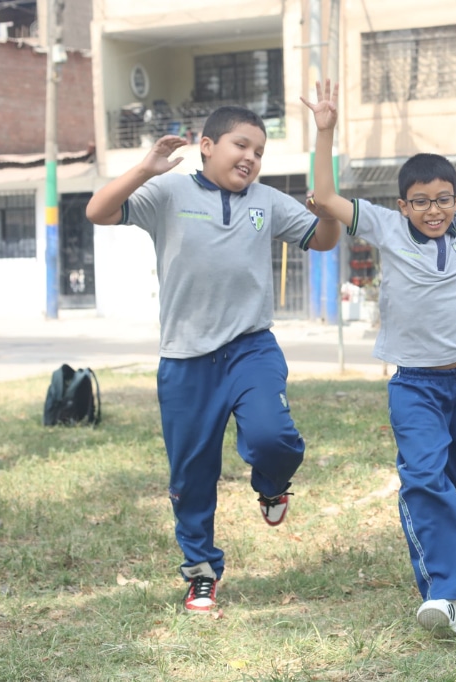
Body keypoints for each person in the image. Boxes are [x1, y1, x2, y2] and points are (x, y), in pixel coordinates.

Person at [85, 105, 341, 612]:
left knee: (275, 438)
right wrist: (145, 168)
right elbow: (97, 211)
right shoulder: (168, 192)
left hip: (250, 347)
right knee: (191, 476)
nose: (251, 157)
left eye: (259, 151)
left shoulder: (266, 201)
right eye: (241, 145)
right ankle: (201, 572)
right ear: (207, 146)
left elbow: (325, 240)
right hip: (185, 359)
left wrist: (327, 208)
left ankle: (271, 486)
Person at [301, 80, 456, 636]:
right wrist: (325, 129)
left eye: (443, 199)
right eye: (421, 201)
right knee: (424, 479)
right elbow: (327, 198)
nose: (434, 210)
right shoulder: (383, 225)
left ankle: (430, 501)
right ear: (404, 205)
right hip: (415, 386)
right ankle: (443, 593)